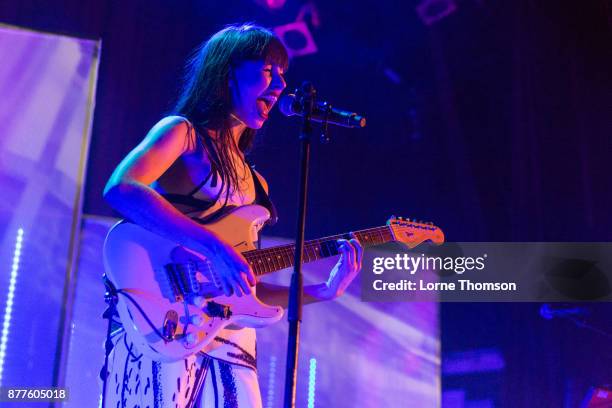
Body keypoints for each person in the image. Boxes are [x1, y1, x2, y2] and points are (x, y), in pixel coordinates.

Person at [101, 23, 363, 407]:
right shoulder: (182, 133)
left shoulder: (258, 185)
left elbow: (244, 289)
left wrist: (323, 291)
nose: (278, 87)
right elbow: (122, 188)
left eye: (283, 76)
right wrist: (215, 247)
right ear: (228, 72)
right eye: (268, 71)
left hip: (232, 344)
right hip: (162, 327)